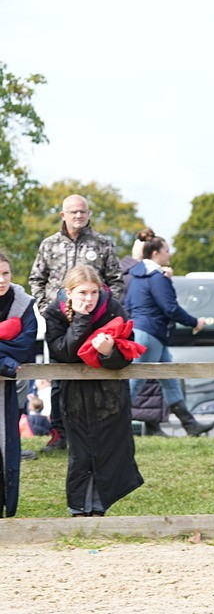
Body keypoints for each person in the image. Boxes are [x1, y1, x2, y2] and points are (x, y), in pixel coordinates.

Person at [43, 265, 145, 516]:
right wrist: (81, 318)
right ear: (69, 293)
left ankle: (100, 507)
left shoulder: (113, 308)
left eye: (93, 293)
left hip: (109, 392)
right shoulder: (54, 312)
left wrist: (110, 352)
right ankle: (78, 507)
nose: (88, 299)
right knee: (81, 452)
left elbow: (127, 353)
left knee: (110, 449)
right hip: (73, 393)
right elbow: (63, 353)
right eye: (82, 293)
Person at [29, 194, 124, 453]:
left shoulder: (103, 244)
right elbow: (36, 278)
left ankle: (99, 433)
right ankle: (59, 433)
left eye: (82, 211)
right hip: (60, 320)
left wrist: (107, 311)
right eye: (73, 212)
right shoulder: (49, 244)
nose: (78, 216)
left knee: (99, 375)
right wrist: (46, 308)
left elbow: (116, 280)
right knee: (59, 378)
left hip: (97, 322)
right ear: (63, 215)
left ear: (89, 214)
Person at [126, 231, 214, 436]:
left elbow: (129, 304)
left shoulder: (137, 275)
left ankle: (190, 425)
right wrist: (195, 322)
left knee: (169, 378)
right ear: (156, 253)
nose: (170, 255)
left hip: (144, 332)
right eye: (167, 250)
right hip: (151, 333)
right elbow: (171, 308)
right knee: (136, 381)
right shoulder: (157, 277)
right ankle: (115, 425)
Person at [0, 253, 39, 516]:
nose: (1, 280)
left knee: (5, 446)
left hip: (6, 392)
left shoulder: (23, 305)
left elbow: (24, 347)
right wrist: (5, 359)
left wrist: (7, 362)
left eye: (5, 273)